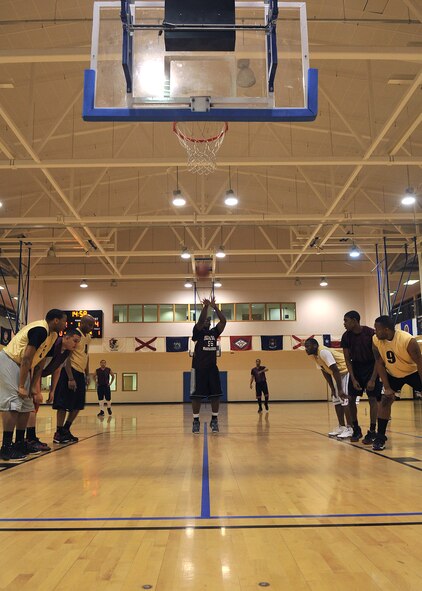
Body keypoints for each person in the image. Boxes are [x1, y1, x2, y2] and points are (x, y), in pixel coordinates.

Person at [0, 309, 67, 461]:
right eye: (64, 321)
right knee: (13, 402)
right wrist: (22, 385)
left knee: (27, 404)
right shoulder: (40, 330)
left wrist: (32, 386)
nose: (65, 324)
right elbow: (26, 359)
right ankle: (5, 447)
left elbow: (40, 362)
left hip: (24, 366)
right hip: (10, 361)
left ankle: (19, 443)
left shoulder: (53, 335)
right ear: (55, 320)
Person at [372, 315, 422, 451]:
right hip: (393, 374)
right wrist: (387, 387)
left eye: (377, 329)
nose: (375, 331)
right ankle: (380, 438)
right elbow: (379, 363)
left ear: (386, 330)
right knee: (385, 401)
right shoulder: (376, 340)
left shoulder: (407, 340)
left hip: (413, 373)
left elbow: (420, 363)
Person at [27, 329, 82, 452]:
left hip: (37, 374)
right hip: (29, 371)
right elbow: (37, 367)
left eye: (78, 342)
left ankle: (29, 438)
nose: (76, 344)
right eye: (75, 341)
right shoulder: (52, 346)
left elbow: (57, 370)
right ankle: (28, 439)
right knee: (29, 405)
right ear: (66, 338)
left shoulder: (66, 352)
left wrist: (52, 390)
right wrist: (36, 390)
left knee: (33, 407)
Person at [51, 314, 95, 444]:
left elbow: (86, 356)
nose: (91, 328)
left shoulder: (88, 337)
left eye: (92, 325)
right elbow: (67, 357)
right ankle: (58, 433)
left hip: (80, 373)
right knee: (63, 404)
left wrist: (86, 374)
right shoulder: (74, 335)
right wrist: (70, 378)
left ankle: (66, 429)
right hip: (69, 372)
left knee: (78, 405)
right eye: (89, 325)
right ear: (82, 323)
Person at [341, 310, 382, 444]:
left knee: (372, 399)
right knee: (351, 399)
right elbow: (347, 359)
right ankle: (356, 428)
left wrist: (372, 378)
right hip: (356, 368)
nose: (344, 324)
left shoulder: (371, 333)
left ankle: (372, 431)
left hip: (371, 367)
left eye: (346, 320)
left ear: (354, 320)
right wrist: (353, 378)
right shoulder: (346, 336)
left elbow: (378, 358)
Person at [190, 297, 227, 434]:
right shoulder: (197, 331)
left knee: (216, 396)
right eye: (205, 319)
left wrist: (215, 307)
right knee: (196, 397)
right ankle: (195, 421)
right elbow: (199, 321)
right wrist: (206, 307)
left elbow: (223, 321)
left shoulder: (214, 332)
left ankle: (214, 420)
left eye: (208, 320)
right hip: (198, 368)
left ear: (210, 323)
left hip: (212, 368)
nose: (206, 321)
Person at [304, 338, 353, 439]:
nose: (306, 349)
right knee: (336, 400)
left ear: (315, 346)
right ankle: (342, 426)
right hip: (338, 374)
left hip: (346, 371)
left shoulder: (323, 352)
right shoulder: (314, 356)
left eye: (308, 346)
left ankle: (350, 428)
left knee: (344, 399)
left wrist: (339, 389)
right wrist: (332, 388)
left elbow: (335, 370)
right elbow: (324, 371)